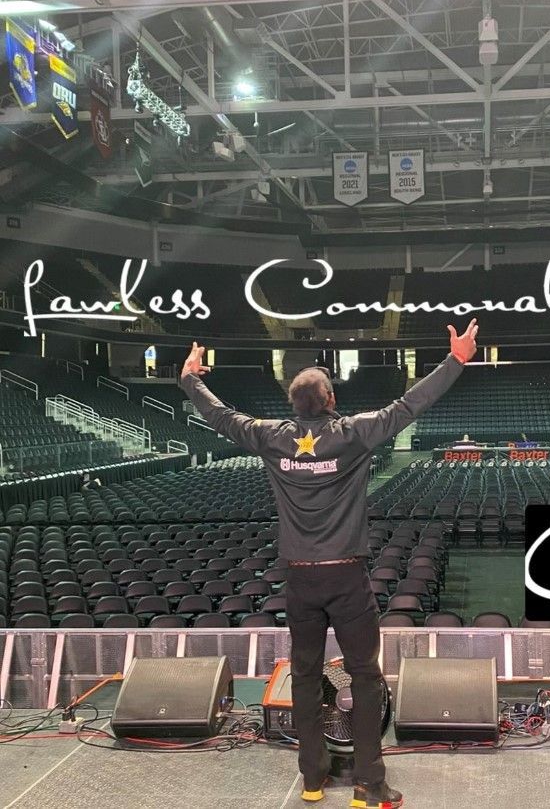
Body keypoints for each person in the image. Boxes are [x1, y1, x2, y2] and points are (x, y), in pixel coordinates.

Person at [179, 319, 479, 809]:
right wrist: (456, 359)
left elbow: (224, 418)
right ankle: (368, 785)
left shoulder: (272, 438)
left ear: (293, 406)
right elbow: (409, 406)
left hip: (299, 579)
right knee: (364, 676)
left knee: (304, 674)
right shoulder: (353, 434)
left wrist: (191, 379)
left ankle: (313, 780)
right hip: (346, 578)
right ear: (331, 402)